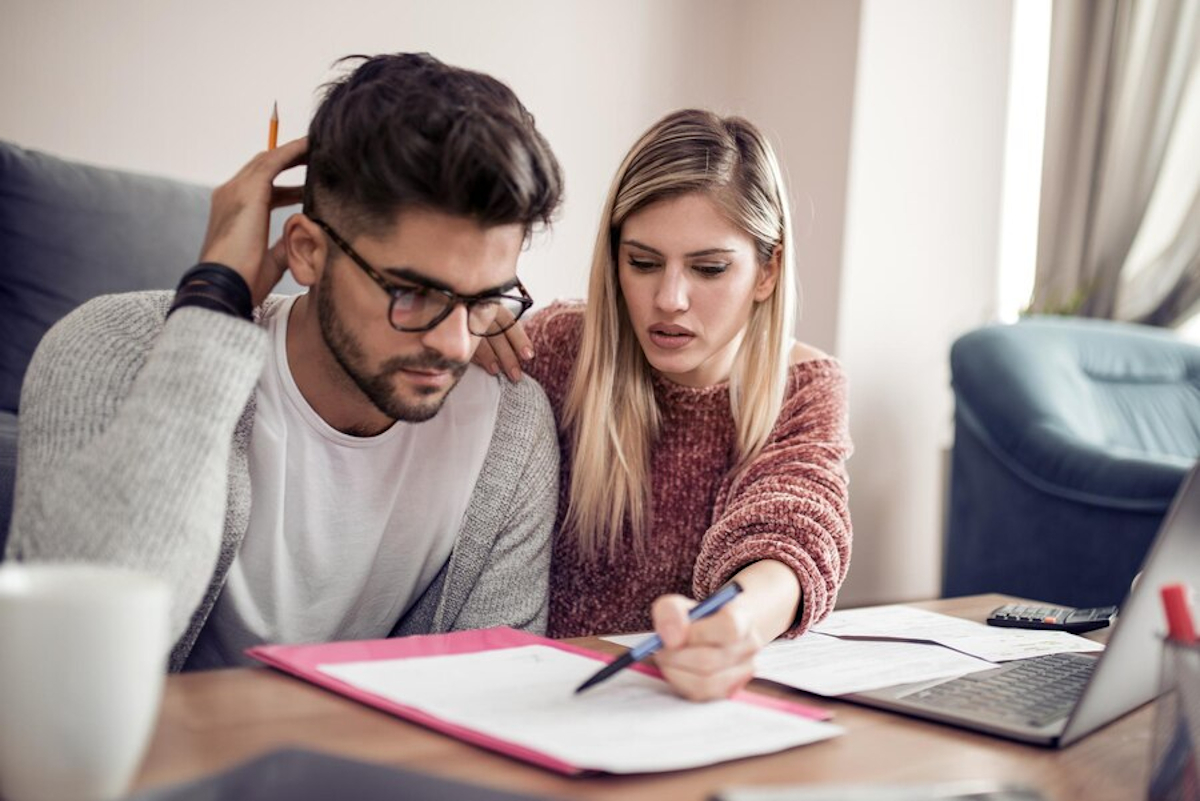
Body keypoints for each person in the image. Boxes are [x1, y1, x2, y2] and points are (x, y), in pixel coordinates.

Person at [6, 53, 565, 672]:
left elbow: (491, 689)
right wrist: (215, 307)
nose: (458, 345)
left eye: (485, 298)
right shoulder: (111, 348)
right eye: (412, 293)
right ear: (306, 252)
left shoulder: (510, 422)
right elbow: (74, 660)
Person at [477, 109, 852, 701]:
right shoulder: (557, 349)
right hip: (530, 696)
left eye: (708, 268)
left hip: (673, 709)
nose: (669, 299)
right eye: (643, 263)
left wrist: (737, 627)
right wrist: (462, 321)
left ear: (767, 271)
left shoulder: (801, 385)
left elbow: (797, 529)